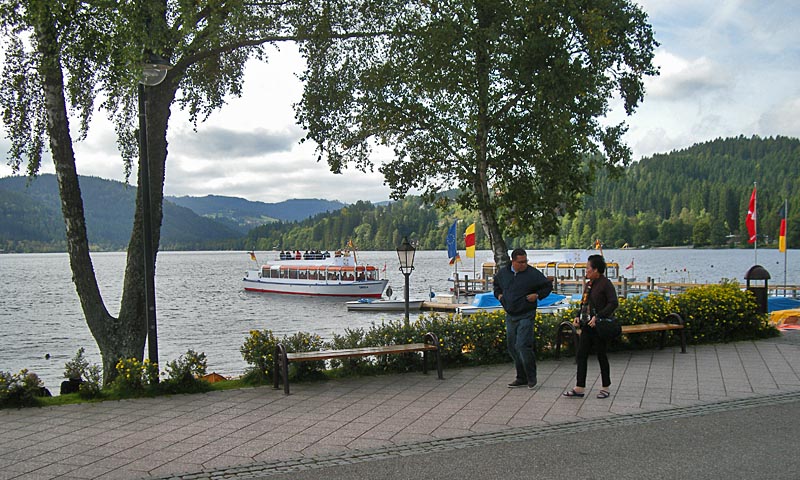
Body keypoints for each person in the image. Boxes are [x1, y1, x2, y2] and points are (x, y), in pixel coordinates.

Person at [493, 248, 553, 389]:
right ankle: (521, 377)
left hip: (526, 313)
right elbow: (496, 286)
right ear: (513, 261)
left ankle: (531, 377)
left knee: (522, 345)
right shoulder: (504, 273)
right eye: (521, 262)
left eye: (526, 261)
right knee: (512, 346)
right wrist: (500, 296)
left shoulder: (532, 273)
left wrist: (537, 295)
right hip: (511, 314)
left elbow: (547, 286)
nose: (524, 264)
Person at [563, 254, 619, 399]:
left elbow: (613, 303)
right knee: (581, 355)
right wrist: (577, 315)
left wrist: (599, 316)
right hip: (587, 325)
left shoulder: (605, 284)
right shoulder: (589, 284)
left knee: (601, 355)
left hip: (599, 326)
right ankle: (579, 387)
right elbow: (584, 303)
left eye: (588, 268)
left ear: (596, 270)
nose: (586, 271)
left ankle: (605, 387)